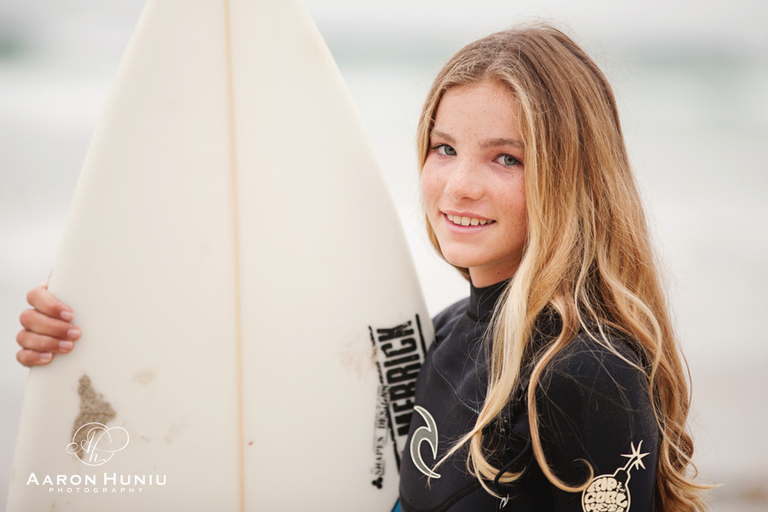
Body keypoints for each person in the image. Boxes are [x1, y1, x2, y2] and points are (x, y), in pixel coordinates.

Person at [17, 24, 709, 512]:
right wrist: (91, 338)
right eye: (443, 148)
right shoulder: (436, 340)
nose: (459, 184)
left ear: (574, 178)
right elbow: (265, 399)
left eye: (506, 158)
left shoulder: (584, 373)